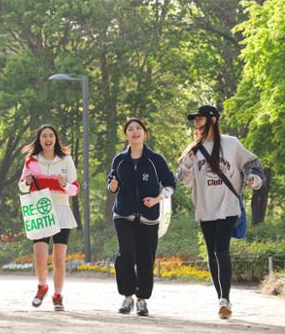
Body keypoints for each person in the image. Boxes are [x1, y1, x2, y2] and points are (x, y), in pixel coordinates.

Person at [177, 105, 264, 319]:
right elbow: (183, 181)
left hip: (228, 207)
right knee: (211, 253)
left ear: (213, 120)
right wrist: (186, 164)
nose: (196, 123)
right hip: (205, 208)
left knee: (221, 249)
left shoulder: (231, 143)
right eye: (194, 120)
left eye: (200, 118)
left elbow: (252, 163)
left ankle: (225, 299)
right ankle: (221, 299)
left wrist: (254, 179)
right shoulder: (194, 150)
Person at [107, 118, 176, 316]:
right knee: (126, 255)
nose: (135, 132)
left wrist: (157, 199)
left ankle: (142, 299)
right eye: (130, 129)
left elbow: (170, 185)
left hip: (149, 217)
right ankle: (127, 297)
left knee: (146, 258)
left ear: (145, 133)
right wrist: (112, 186)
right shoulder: (119, 159)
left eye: (138, 128)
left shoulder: (156, 159)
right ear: (126, 134)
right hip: (123, 215)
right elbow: (112, 183)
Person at [18, 124, 80, 311]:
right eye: (44, 135)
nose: (47, 139)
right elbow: (22, 187)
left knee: (59, 259)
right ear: (39, 140)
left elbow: (75, 189)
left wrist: (64, 185)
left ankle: (58, 295)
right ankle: (42, 286)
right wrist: (26, 182)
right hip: (40, 211)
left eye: (51, 135)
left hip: (61, 211)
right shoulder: (32, 161)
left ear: (55, 139)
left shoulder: (65, 159)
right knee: (40, 257)